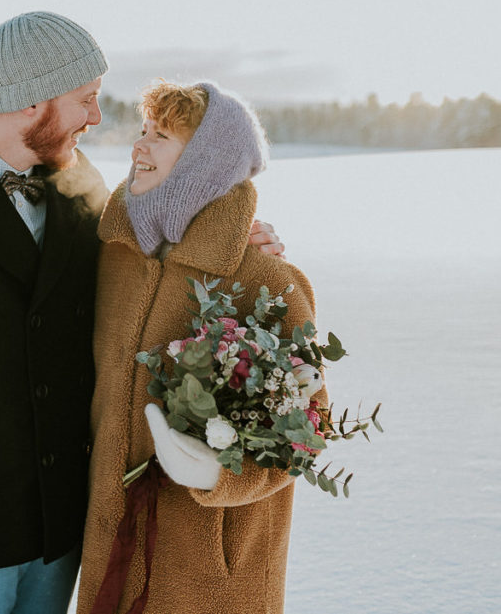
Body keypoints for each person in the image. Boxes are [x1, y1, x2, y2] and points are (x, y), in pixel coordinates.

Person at [0, 12, 285, 614]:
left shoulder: (81, 188)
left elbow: (152, 244)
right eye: (87, 99)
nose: (97, 117)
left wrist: (239, 240)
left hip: (61, 524)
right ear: (33, 102)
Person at [77, 81, 328, 614]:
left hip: (213, 573)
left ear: (204, 162)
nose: (138, 148)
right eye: (143, 131)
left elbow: (307, 430)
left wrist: (219, 473)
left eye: (161, 136)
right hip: (112, 545)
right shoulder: (111, 259)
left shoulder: (265, 278)